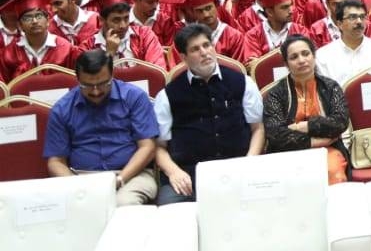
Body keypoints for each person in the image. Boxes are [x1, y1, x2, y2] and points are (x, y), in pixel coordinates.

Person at [153, 23, 265, 205]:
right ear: (183, 57)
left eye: (207, 45)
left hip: (238, 169)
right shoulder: (167, 95)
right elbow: (158, 147)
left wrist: (249, 162)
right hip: (189, 176)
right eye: (195, 49)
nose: (204, 52)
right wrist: (174, 172)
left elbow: (258, 129)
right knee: (169, 211)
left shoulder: (242, 82)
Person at [44, 49, 159, 205]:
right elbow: (55, 161)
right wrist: (79, 187)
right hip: (81, 178)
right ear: (77, 79)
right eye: (88, 85)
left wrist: (120, 180)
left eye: (103, 84)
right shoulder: (62, 108)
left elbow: (148, 147)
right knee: (80, 207)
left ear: (112, 75)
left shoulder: (134, 97)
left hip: (132, 174)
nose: (96, 91)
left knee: (123, 203)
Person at [262, 35, 350, 184]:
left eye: (306, 53)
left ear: (314, 56)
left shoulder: (330, 87)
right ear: (286, 64)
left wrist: (304, 126)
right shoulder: (276, 94)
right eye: (294, 57)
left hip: (327, 151)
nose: (301, 60)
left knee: (332, 171)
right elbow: (276, 134)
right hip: (287, 154)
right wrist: (316, 141)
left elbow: (340, 122)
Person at [315, 0, 371, 87]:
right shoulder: (323, 56)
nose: (359, 22)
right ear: (339, 24)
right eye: (352, 17)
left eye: (362, 17)